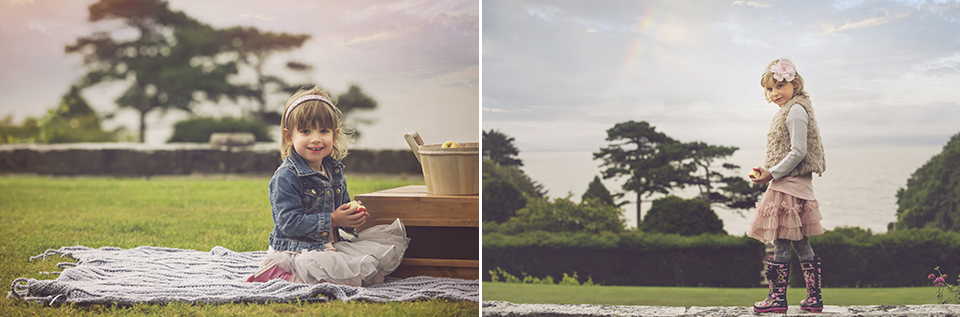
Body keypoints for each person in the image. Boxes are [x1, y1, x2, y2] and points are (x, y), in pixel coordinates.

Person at [246, 86, 408, 287]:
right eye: (305, 131)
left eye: (324, 131)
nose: (316, 139)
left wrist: (350, 219)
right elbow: (289, 223)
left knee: (376, 277)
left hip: (329, 246)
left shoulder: (333, 170)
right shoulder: (286, 176)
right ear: (289, 137)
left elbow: (340, 211)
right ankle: (281, 274)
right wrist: (332, 219)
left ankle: (316, 275)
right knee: (351, 282)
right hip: (298, 251)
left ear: (334, 135)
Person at [747, 58, 826, 313]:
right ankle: (813, 299)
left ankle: (777, 299)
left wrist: (772, 173)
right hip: (794, 185)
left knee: (780, 241)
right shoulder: (793, 110)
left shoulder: (795, 111)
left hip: (788, 186)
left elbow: (798, 152)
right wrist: (768, 170)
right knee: (800, 242)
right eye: (770, 89)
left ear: (795, 84)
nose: (774, 93)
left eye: (780, 86)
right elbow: (788, 151)